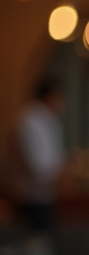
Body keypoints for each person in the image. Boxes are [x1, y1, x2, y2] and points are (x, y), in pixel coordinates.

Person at [13, 75, 67, 232]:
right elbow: (38, 168)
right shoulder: (31, 121)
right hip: (33, 199)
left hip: (46, 197)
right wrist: (64, 169)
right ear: (51, 96)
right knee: (37, 248)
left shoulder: (48, 121)